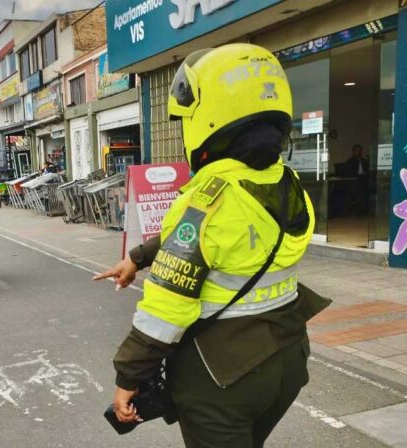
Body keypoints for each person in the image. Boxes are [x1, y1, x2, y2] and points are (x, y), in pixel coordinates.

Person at [95, 44, 331, 448]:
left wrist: (128, 377)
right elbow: (217, 240)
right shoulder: (288, 184)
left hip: (224, 376)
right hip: (288, 356)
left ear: (208, 120)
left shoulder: (206, 199)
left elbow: (165, 310)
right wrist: (138, 258)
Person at [345, 144, 370, 214]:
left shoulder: (365, 161)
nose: (358, 152)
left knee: (366, 190)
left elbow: (369, 172)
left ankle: (365, 210)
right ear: (353, 151)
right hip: (354, 182)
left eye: (360, 151)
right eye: (356, 151)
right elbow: (348, 173)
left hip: (364, 181)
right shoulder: (349, 162)